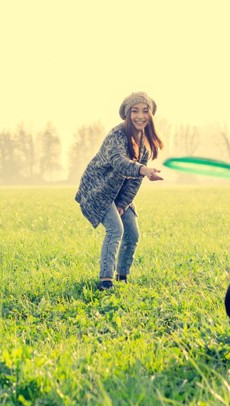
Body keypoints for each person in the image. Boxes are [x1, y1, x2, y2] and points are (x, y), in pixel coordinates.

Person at [75, 91, 164, 290]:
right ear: (126, 114)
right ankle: (106, 281)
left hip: (118, 194)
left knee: (132, 234)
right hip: (98, 190)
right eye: (135, 111)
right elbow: (119, 162)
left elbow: (134, 182)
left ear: (150, 115)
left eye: (145, 111)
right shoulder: (116, 135)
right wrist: (144, 170)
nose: (140, 116)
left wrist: (123, 204)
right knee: (116, 230)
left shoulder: (144, 148)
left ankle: (122, 276)